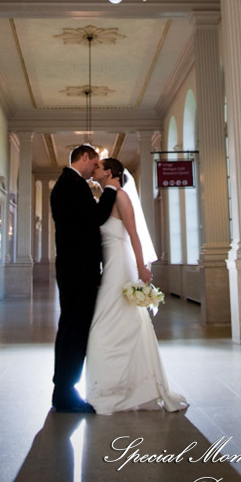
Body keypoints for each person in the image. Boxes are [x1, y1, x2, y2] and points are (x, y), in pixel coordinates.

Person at [85, 157, 188, 415]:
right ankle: (115, 385)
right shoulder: (103, 200)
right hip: (109, 267)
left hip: (121, 267)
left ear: (109, 172)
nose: (93, 170)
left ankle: (126, 388)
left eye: (98, 167)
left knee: (108, 323)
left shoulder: (120, 197)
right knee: (112, 324)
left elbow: (134, 235)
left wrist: (142, 268)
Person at [50, 144, 117, 413]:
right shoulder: (73, 184)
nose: (95, 168)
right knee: (75, 331)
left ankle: (63, 388)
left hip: (73, 269)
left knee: (70, 329)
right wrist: (111, 188)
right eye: (95, 162)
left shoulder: (68, 183)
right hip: (78, 271)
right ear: (86, 157)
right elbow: (97, 218)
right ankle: (65, 393)